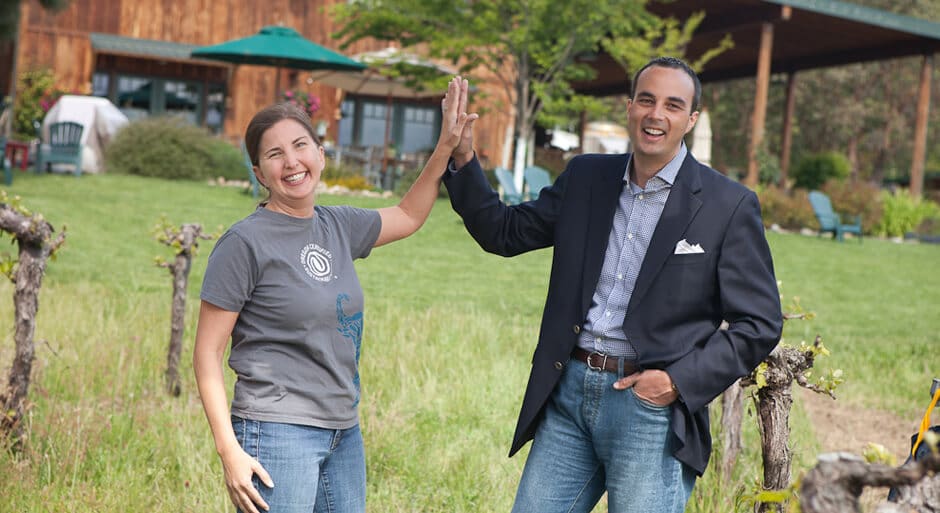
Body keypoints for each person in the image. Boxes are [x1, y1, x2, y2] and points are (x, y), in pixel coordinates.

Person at [442, 56, 783, 512]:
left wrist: (676, 382)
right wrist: (464, 157)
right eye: (646, 100)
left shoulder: (728, 204)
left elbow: (759, 323)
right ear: (629, 107)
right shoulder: (587, 177)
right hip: (568, 394)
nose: (656, 114)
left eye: (672, 105)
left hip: (649, 410)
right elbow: (503, 233)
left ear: (691, 120)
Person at [193, 77, 476, 513]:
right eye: (275, 154)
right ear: (259, 173)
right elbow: (207, 355)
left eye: (300, 146)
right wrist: (228, 450)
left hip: (344, 429)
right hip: (276, 429)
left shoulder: (338, 225)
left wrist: (444, 148)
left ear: (321, 155)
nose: (292, 161)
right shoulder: (244, 243)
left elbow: (408, 215)